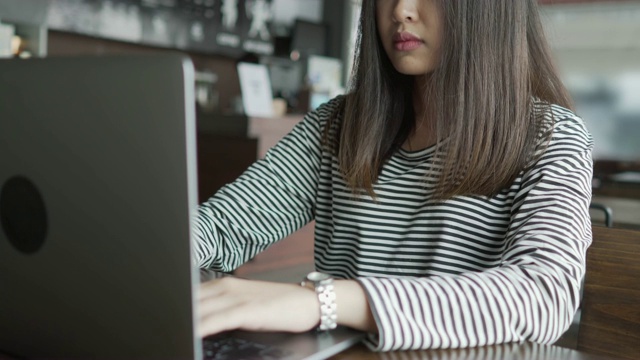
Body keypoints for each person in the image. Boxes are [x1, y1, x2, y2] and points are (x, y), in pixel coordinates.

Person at [195, 0, 593, 352]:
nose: (401, 9)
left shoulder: (551, 136)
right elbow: (220, 228)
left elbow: (544, 296)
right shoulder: (336, 126)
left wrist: (323, 301)